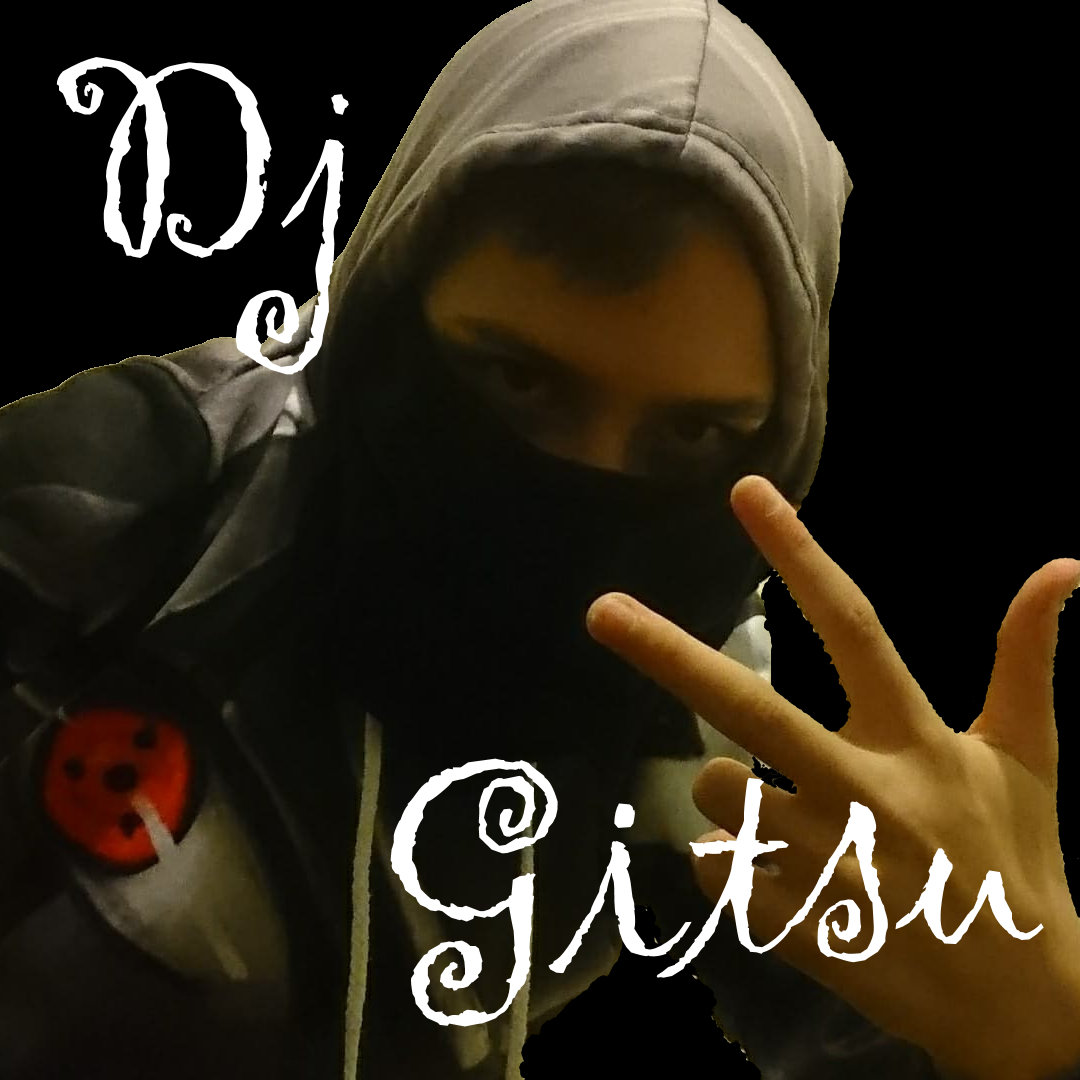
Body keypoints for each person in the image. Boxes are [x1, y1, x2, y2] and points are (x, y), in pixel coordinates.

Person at [2, 2, 1078, 1078]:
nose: (588, 497)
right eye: (519, 381)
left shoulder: (694, 681)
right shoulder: (107, 500)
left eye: (691, 435)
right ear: (381, 308)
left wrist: (1039, 1026)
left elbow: (854, 1004)